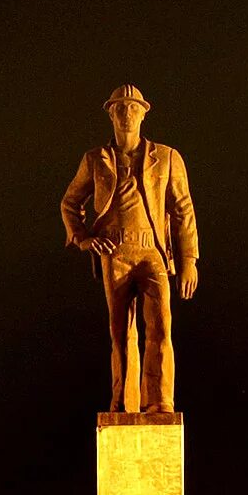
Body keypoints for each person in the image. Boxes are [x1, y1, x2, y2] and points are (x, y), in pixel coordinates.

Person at [60, 84, 199, 413]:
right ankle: (124, 403)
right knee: (121, 332)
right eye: (119, 109)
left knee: (161, 326)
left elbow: (183, 210)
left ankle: (160, 401)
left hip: (153, 252)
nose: (126, 115)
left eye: (132, 109)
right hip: (115, 252)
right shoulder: (96, 159)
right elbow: (70, 203)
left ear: (143, 113)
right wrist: (84, 239)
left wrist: (189, 259)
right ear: (110, 114)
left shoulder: (166, 157)